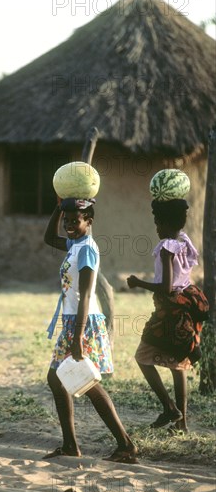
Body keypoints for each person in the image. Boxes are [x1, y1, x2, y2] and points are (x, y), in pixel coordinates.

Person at [44, 198, 138, 463]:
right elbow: (49, 238)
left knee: (85, 381)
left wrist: (77, 337)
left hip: (83, 322)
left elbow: (86, 295)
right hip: (74, 320)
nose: (70, 225)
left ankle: (125, 444)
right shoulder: (75, 244)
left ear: (89, 222)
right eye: (67, 220)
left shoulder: (87, 249)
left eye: (76, 220)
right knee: (58, 379)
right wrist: (58, 207)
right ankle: (71, 444)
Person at [127, 199, 209, 434]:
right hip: (184, 311)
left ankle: (169, 407)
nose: (155, 227)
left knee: (142, 357)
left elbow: (167, 287)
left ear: (163, 223)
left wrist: (138, 283)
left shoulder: (166, 248)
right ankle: (182, 423)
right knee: (178, 365)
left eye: (156, 222)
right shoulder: (184, 241)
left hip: (169, 312)